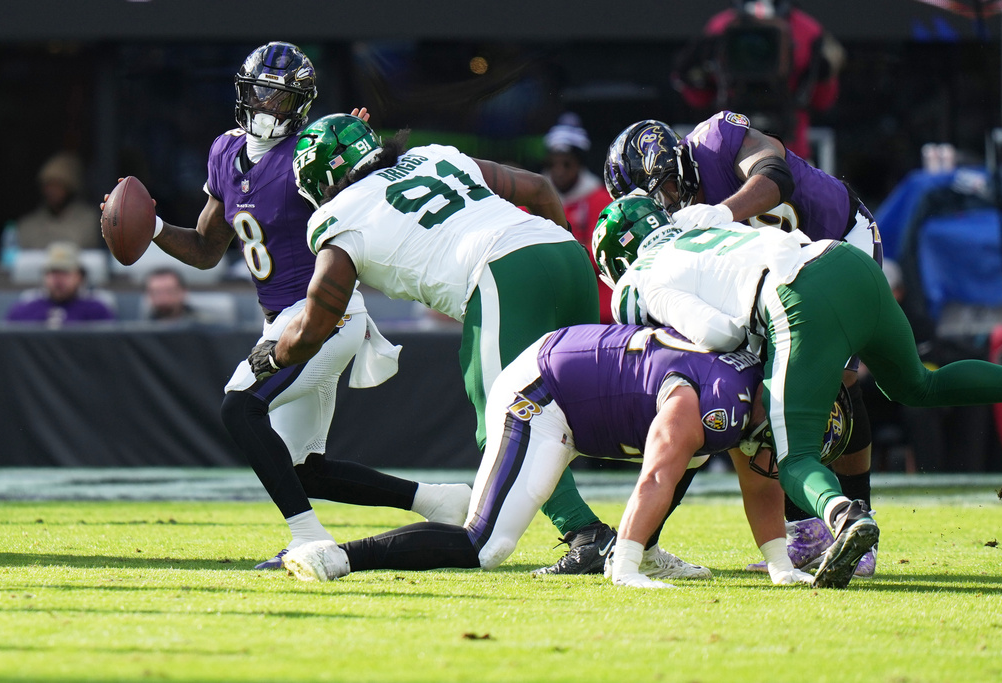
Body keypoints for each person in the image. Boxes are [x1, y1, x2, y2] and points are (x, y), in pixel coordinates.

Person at [250, 112, 707, 580]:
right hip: (566, 255)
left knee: (506, 418)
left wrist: (273, 356)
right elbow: (539, 190)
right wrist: (558, 256)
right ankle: (641, 543)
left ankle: (586, 534)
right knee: (597, 408)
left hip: (499, 274)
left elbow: (316, 321)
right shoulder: (431, 156)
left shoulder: (337, 216)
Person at [103, 42, 473, 571]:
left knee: (240, 405)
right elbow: (209, 250)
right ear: (243, 93)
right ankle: (438, 501)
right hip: (282, 318)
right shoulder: (225, 153)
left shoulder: (308, 156)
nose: (267, 106)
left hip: (327, 312)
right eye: (260, 93)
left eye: (280, 98)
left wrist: (356, 153)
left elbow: (364, 204)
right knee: (301, 469)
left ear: (299, 105)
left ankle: (307, 538)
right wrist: (154, 227)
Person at [596, 194, 1002, 588]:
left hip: (798, 299)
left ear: (615, 258)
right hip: (845, 260)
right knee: (918, 386)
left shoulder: (638, 280)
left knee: (794, 458)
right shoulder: (696, 218)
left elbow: (717, 331)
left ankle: (847, 516)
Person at [279, 323, 823, 589]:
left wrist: (780, 567)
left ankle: (643, 549)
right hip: (544, 396)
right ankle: (340, 556)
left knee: (694, 457)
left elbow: (760, 484)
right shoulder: (718, 403)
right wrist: (624, 566)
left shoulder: (749, 400)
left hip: (589, 402)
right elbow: (657, 472)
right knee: (485, 545)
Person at [603, 113, 880, 577]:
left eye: (668, 190)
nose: (670, 206)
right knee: (711, 386)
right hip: (777, 278)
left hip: (836, 238)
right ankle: (804, 530)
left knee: (833, 377)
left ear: (672, 164)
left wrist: (722, 211)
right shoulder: (677, 224)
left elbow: (775, 175)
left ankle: (857, 519)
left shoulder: (717, 139)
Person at [671, 0, 844, 161]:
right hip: (729, 151)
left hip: (790, 150)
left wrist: (825, 72)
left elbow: (823, 100)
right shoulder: (721, 27)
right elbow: (699, 98)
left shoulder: (807, 31)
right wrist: (693, 72)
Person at [541, 113, 614, 323]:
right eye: (553, 164)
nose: (559, 171)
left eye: (566, 164)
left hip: (597, 309)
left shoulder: (601, 199)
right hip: (548, 304)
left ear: (579, 164)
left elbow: (601, 253)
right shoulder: (530, 199)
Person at [5, 241, 115, 327]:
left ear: (80, 277)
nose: (58, 280)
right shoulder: (24, 310)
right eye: (52, 272)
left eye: (64, 272)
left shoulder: (96, 310)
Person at [16, 152, 102, 250]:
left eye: (57, 185)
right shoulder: (27, 224)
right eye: (48, 185)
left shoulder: (88, 219)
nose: (51, 191)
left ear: (70, 188)